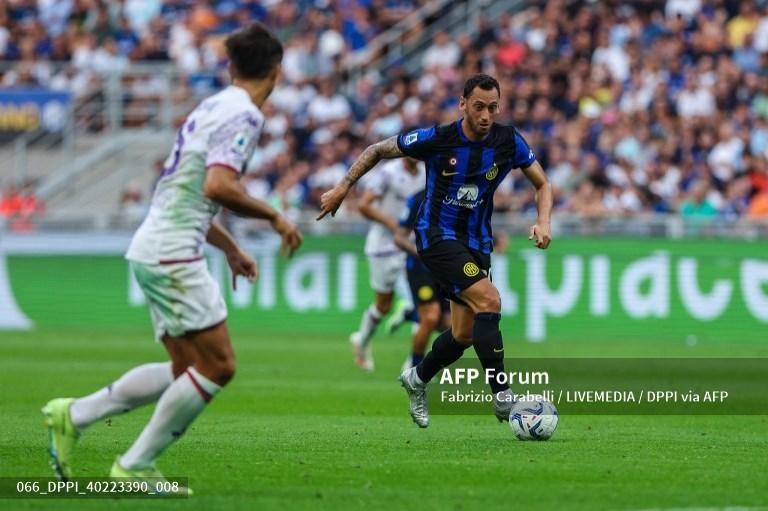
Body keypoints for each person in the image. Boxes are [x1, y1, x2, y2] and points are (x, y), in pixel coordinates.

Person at [42, 23, 303, 492]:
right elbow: (218, 187)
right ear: (277, 72)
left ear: (231, 66)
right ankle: (134, 464)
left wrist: (230, 247)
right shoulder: (244, 114)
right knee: (219, 365)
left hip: (156, 243)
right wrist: (276, 218)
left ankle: (74, 414)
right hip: (173, 253)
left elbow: (187, 192)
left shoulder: (212, 106)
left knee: (186, 371)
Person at [318, 73, 553, 428]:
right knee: (489, 300)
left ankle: (417, 378)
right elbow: (377, 150)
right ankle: (503, 398)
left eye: (492, 107)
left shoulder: (508, 141)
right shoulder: (439, 139)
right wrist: (342, 188)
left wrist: (544, 220)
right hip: (436, 237)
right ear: (462, 104)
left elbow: (542, 182)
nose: (486, 115)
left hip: (477, 243)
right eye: (478, 107)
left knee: (463, 334)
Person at [350, 156, 424, 371]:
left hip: (409, 247)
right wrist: (393, 224)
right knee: (383, 305)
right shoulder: (387, 173)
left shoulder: (426, 173)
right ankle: (361, 339)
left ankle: (414, 364)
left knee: (420, 303)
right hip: (381, 247)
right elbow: (363, 205)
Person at [393, 189, 451, 371]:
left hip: (446, 268)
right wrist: (424, 254)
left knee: (452, 327)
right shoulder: (417, 199)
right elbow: (399, 239)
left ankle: (411, 314)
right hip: (420, 267)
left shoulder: (459, 194)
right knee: (431, 316)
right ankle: (415, 368)